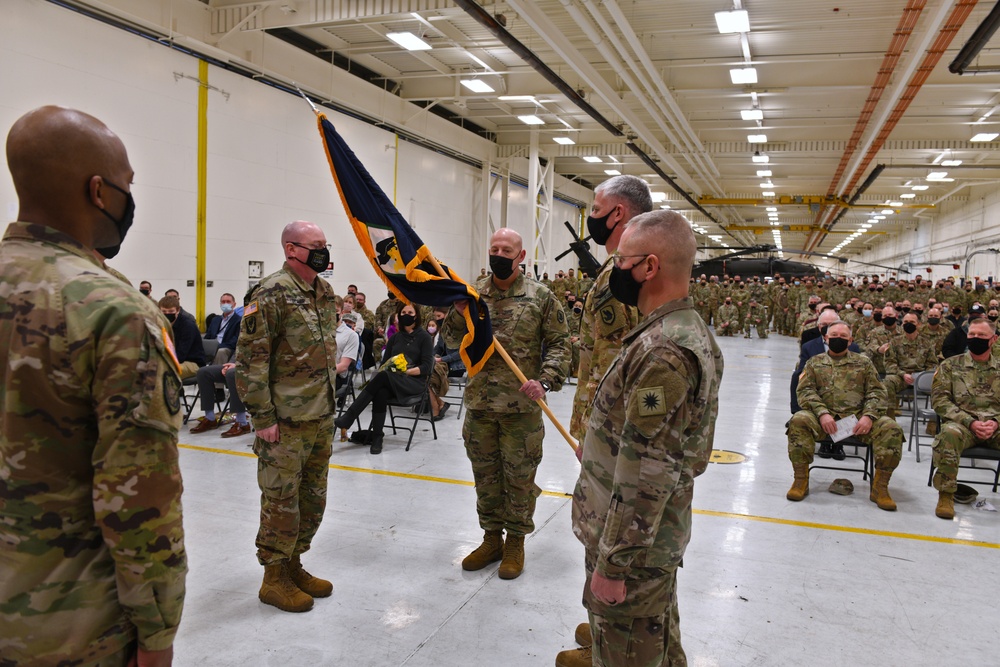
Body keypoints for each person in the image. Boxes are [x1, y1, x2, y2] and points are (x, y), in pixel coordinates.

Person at [0, 105, 185, 665]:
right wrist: (156, 633)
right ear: (99, 191)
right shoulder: (113, 311)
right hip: (66, 626)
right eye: (128, 185)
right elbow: (138, 500)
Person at [558, 211, 723, 667]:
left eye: (621, 262)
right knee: (658, 642)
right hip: (648, 539)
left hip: (633, 548)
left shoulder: (664, 351)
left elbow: (648, 470)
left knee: (626, 653)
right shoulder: (680, 329)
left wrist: (615, 566)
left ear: (649, 267)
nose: (614, 271)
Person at [442, 228, 571, 580]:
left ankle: (515, 541)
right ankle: (490, 539)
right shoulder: (473, 295)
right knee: (485, 477)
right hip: (481, 404)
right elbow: (450, 339)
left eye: (506, 249)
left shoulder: (541, 297)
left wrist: (544, 380)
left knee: (519, 478)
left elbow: (561, 344)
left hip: (521, 409)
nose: (498, 254)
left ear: (521, 256)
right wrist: (456, 312)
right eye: (494, 248)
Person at [235, 220, 339, 613]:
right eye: (316, 245)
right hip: (284, 419)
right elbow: (250, 362)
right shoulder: (270, 292)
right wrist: (262, 418)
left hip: (320, 414)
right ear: (291, 249)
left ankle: (294, 563)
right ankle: (273, 578)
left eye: (325, 244)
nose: (323, 251)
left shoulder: (324, 292)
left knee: (313, 498)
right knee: (281, 498)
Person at [787, 321, 904, 511]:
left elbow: (877, 392)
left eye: (843, 337)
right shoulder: (814, 362)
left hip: (858, 422)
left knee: (891, 428)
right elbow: (805, 391)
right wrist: (822, 413)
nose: (838, 339)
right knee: (798, 420)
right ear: (825, 338)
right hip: (823, 421)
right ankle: (800, 481)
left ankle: (880, 487)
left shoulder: (864, 363)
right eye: (834, 336)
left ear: (850, 341)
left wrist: (869, 416)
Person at [570, 175, 650, 442]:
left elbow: (609, 363)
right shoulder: (642, 267)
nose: (592, 217)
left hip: (607, 427)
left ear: (617, 213)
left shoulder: (616, 274)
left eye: (595, 209)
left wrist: (590, 430)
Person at [334, 301, 433, 453]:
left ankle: (350, 416)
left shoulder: (424, 337)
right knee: (380, 390)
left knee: (382, 377)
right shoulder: (395, 338)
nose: (406, 316)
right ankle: (377, 437)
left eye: (410, 313)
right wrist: (392, 369)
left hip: (414, 383)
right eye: (403, 313)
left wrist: (404, 371)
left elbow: (427, 367)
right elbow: (385, 364)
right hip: (392, 380)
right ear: (398, 315)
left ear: (417, 316)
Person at [929, 318, 1000, 519]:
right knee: (948, 434)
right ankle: (946, 495)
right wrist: (971, 422)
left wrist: (995, 423)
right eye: (972, 335)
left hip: (996, 426)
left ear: (993, 339)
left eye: (982, 336)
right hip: (962, 425)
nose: (975, 339)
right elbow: (940, 401)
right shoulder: (950, 365)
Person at [882, 311, 938, 415]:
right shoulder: (894, 342)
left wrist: (923, 375)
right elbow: (889, 363)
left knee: (939, 383)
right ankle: (889, 419)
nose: (909, 324)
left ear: (919, 324)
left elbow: (932, 363)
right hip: (901, 376)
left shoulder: (926, 342)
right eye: (906, 322)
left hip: (920, 376)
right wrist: (903, 374)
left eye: (912, 322)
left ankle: (933, 424)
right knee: (888, 382)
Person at [189, 361, 253, 437]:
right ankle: (210, 418)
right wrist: (230, 364)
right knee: (203, 372)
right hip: (238, 365)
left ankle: (242, 423)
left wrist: (238, 365)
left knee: (232, 374)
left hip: (256, 368)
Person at [159, 294, 206, 378]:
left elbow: (180, 355)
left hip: (192, 363)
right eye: (164, 312)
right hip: (172, 360)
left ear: (178, 310)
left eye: (170, 311)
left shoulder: (188, 326)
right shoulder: (160, 324)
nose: (167, 314)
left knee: (164, 373)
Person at [205, 292, 242, 364]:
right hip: (213, 346)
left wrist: (218, 346)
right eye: (223, 302)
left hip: (227, 348)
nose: (225, 304)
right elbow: (208, 336)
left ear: (234, 304)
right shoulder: (215, 319)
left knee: (221, 351)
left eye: (228, 302)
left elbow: (236, 340)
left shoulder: (239, 320)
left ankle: (215, 372)